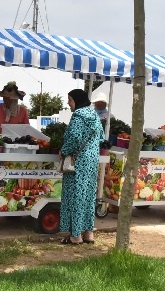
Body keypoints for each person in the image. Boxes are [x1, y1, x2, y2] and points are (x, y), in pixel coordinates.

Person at [58, 89, 104, 245]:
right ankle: (89, 233)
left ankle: (76, 235)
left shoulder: (78, 117)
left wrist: (64, 151)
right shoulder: (95, 116)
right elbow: (101, 138)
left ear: (77, 100)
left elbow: (75, 138)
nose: (68, 103)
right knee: (89, 196)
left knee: (76, 196)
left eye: (70, 100)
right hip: (92, 162)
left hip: (78, 163)